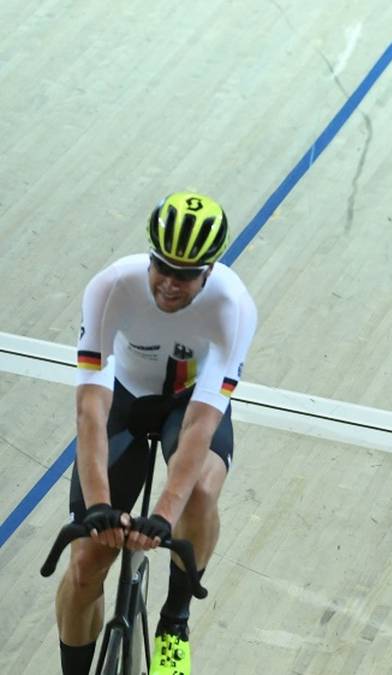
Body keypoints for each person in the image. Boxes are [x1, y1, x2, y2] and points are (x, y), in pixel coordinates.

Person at [57, 192, 257, 675]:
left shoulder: (232, 307)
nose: (169, 283)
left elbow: (200, 425)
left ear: (209, 270)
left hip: (188, 402)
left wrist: (164, 515)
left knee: (200, 490)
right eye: (162, 267)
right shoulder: (111, 287)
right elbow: (91, 410)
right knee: (85, 568)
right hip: (124, 398)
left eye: (185, 274)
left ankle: (174, 622)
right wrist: (100, 506)